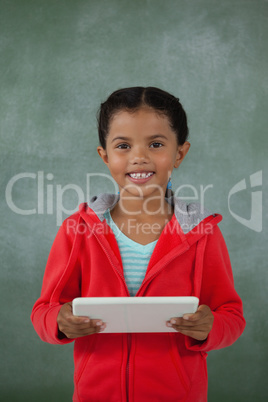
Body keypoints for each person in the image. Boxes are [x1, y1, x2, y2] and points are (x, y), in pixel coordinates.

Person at [31, 86, 246, 402]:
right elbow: (43, 311)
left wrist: (209, 327)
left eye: (156, 144)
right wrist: (59, 322)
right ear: (105, 156)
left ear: (179, 153)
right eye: (123, 145)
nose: (139, 157)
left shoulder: (203, 233)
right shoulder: (77, 229)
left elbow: (231, 316)